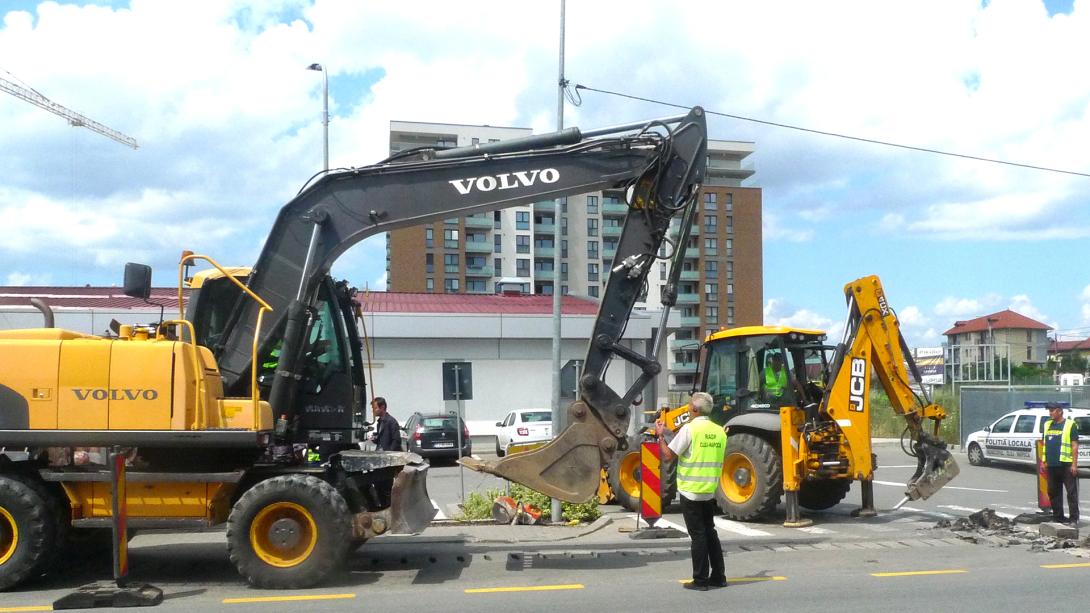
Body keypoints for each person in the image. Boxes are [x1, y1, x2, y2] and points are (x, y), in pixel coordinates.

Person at [656, 391, 727, 591]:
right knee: (710, 533)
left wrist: (661, 436)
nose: (687, 408)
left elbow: (669, 455)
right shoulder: (719, 431)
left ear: (695, 409)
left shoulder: (690, 429)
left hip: (690, 490)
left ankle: (701, 580)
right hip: (709, 489)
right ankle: (719, 576)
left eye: (689, 406)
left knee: (698, 536)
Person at [1042, 402, 1080, 525]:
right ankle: (1058, 517)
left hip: (1066, 465)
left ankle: (1074, 519)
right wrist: (1044, 461)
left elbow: (1074, 446)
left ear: (1059, 411)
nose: (1050, 413)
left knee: (1071, 493)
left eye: (1052, 410)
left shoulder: (1070, 425)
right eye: (1049, 410)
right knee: (1053, 492)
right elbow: (1045, 444)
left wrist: (1074, 464)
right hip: (1051, 465)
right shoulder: (1047, 424)